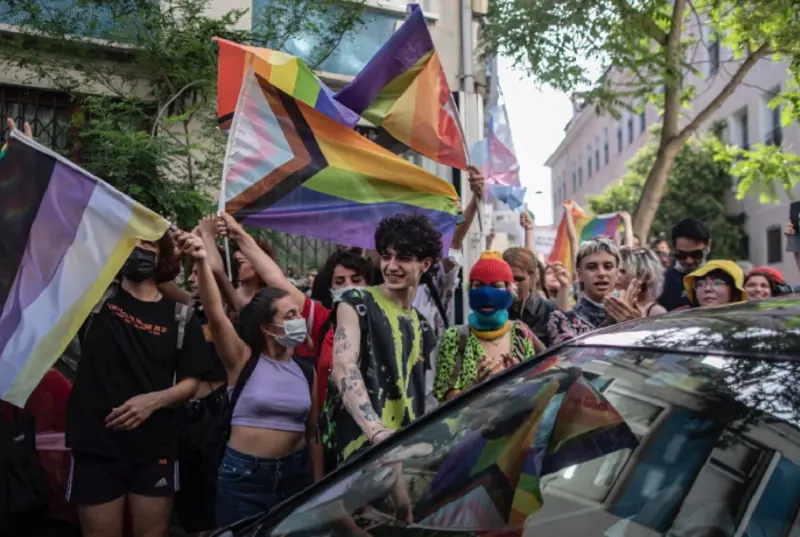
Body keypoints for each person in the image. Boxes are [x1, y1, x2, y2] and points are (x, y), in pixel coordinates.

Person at [65, 234, 211, 537]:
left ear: (162, 256)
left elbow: (191, 384)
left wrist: (153, 401)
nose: (140, 251)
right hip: (96, 447)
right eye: (133, 243)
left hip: (154, 449)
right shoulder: (95, 301)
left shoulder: (180, 317)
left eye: (149, 245)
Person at [179, 232, 323, 526]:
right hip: (244, 478)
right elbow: (216, 312)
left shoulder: (307, 371)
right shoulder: (242, 360)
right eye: (291, 315)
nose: (300, 319)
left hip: (295, 476)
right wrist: (202, 260)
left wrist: (320, 486)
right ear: (269, 328)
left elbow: (313, 434)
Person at [323, 214, 438, 470]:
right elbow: (343, 366)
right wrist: (376, 431)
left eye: (404, 258)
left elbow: (427, 395)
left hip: (405, 458)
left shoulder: (422, 324)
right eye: (387, 256)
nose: (392, 266)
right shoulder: (357, 302)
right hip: (362, 456)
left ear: (425, 264)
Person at [433, 251, 544, 402]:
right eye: (478, 285)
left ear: (510, 291)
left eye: (496, 286)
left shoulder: (520, 333)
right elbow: (446, 404)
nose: (486, 293)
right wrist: (476, 386)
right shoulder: (454, 338)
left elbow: (536, 389)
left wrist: (517, 379)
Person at [548, 238, 642, 345]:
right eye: (592, 267)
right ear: (579, 275)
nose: (601, 273)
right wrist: (618, 325)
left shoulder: (634, 316)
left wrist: (637, 326)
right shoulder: (562, 320)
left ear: (617, 273)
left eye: (608, 267)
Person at [503, 247, 568, 346]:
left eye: (519, 279)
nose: (513, 285)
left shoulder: (549, 310)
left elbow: (558, 354)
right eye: (507, 280)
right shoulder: (497, 310)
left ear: (532, 278)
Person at [657, 219, 711, 311]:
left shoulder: (722, 277)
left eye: (696, 254)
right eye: (682, 255)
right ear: (674, 248)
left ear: (708, 245)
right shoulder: (661, 281)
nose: (689, 261)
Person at [617, 247, 667, 316]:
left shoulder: (656, 312)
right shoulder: (615, 302)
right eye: (617, 270)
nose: (617, 275)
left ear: (645, 277)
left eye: (623, 271)